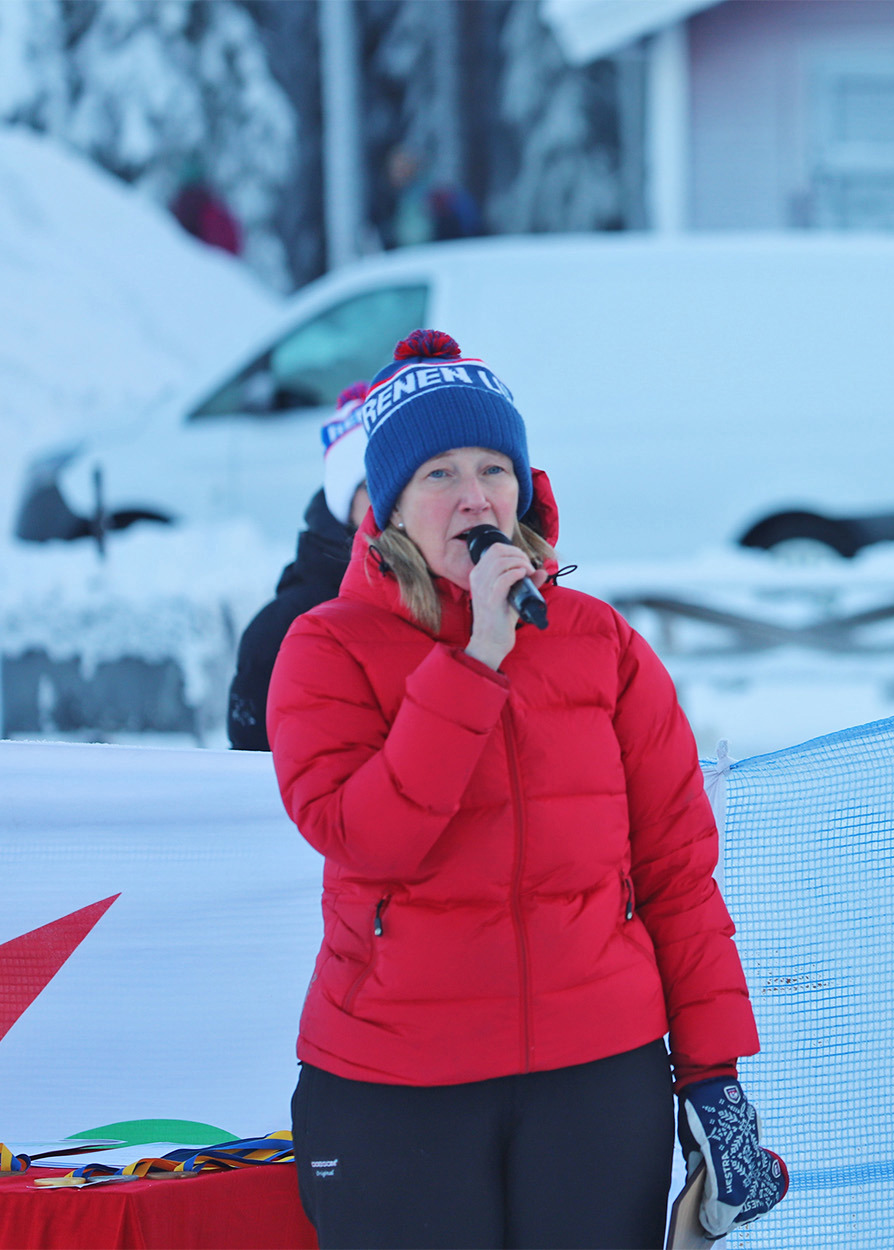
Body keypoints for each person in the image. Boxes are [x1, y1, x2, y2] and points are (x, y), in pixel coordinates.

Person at [267, 330, 784, 1248]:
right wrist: (473, 663)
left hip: (596, 1081)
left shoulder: (601, 643)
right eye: (439, 474)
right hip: (397, 1087)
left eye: (494, 468)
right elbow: (368, 836)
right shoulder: (325, 647)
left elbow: (677, 873)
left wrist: (715, 1074)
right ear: (387, 504)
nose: (474, 496)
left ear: (525, 490)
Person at [227, 381, 371, 751]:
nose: (390, 503)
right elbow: (250, 778)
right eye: (371, 487)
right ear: (342, 500)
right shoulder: (281, 628)